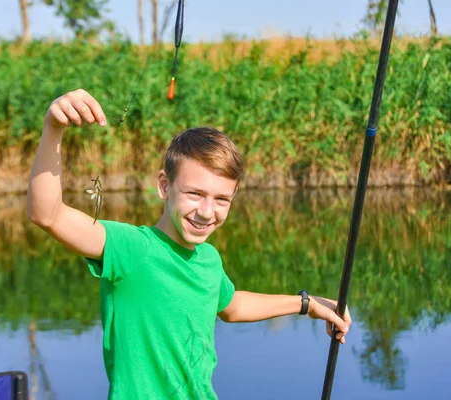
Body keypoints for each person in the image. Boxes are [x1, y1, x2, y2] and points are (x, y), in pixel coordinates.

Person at [27, 89, 352, 399]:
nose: (207, 211)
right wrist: (53, 127)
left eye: (222, 199)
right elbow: (48, 215)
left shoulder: (208, 259)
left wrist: (307, 304)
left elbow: (232, 306)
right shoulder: (133, 249)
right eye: (195, 194)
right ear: (164, 186)